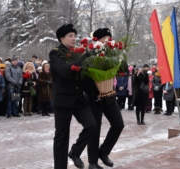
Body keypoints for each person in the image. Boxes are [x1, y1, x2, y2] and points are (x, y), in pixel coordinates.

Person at [50, 24, 96, 169]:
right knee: (61, 137)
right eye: (70, 36)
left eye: (75, 36)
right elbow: (65, 70)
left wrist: (97, 92)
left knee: (91, 125)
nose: (74, 38)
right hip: (63, 100)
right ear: (61, 38)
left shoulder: (77, 54)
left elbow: (83, 77)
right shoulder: (55, 53)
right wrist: (85, 58)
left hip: (78, 98)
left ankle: (75, 152)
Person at [83, 27, 124, 169]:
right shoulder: (89, 55)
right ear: (97, 40)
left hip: (110, 96)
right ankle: (92, 162)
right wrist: (96, 93)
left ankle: (104, 152)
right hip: (94, 98)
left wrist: (120, 55)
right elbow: (85, 78)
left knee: (118, 124)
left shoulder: (113, 55)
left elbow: (121, 70)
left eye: (109, 38)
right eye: (104, 38)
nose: (108, 40)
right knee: (95, 130)